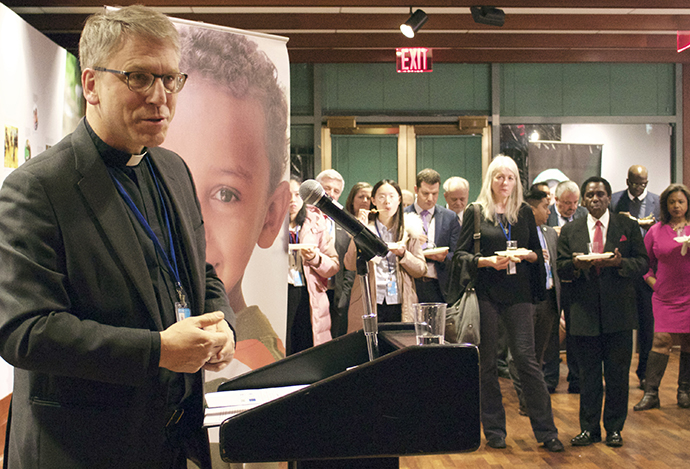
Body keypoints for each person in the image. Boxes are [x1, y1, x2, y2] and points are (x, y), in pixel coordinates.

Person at [0, 6, 235, 468]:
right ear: (91, 85)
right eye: (139, 77)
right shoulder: (39, 187)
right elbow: (25, 332)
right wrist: (159, 351)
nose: (160, 97)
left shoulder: (172, 168)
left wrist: (221, 321)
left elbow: (199, 273)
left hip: (173, 442)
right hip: (83, 448)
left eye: (170, 80)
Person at [164, 26, 289, 374]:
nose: (191, 225)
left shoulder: (256, 370)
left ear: (271, 214)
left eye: (225, 194)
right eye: (167, 183)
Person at [453, 155, 563, 453]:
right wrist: (486, 261)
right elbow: (460, 257)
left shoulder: (524, 213)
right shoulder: (476, 212)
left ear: (517, 182)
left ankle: (546, 431)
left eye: (511, 177)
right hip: (486, 294)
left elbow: (537, 255)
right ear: (491, 179)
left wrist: (529, 256)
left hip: (519, 296)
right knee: (486, 363)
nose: (505, 183)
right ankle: (494, 430)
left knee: (527, 361)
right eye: (500, 177)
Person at [557, 176, 648, 448]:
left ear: (609, 197)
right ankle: (588, 429)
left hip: (619, 312)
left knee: (618, 375)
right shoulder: (571, 231)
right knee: (589, 376)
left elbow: (642, 263)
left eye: (600, 194)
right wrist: (575, 264)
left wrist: (621, 264)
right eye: (590, 195)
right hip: (583, 313)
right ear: (583, 200)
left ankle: (615, 429)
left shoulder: (627, 226)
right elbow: (561, 267)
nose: (595, 199)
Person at [634, 183, 690, 411]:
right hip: (664, 296)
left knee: (688, 341)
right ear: (665, 205)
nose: (676, 206)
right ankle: (651, 392)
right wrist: (653, 283)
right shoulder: (655, 231)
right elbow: (643, 264)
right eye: (672, 202)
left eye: (681, 202)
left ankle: (684, 390)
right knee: (661, 340)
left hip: (689, 295)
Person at [344, 179, 427, 327]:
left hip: (400, 300)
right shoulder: (367, 229)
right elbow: (350, 265)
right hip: (370, 299)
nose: (387, 202)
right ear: (373, 201)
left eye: (392, 196)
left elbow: (421, 269)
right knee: (368, 346)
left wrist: (404, 254)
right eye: (381, 197)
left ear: (399, 200)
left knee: (398, 346)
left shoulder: (408, 231)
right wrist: (358, 232)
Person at [509, 188, 561, 416]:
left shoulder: (550, 233)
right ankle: (526, 401)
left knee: (537, 355)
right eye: (545, 207)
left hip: (549, 299)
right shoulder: (518, 231)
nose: (549, 212)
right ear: (531, 209)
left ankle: (534, 398)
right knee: (521, 355)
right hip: (527, 300)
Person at [610, 165, 660, 389]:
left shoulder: (657, 202)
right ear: (628, 181)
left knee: (647, 324)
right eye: (636, 182)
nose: (640, 187)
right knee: (619, 323)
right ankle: (616, 371)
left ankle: (644, 372)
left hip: (647, 268)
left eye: (644, 183)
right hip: (621, 266)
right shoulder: (615, 200)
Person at [286, 176, 339, 355]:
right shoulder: (268, 222)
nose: (292, 200)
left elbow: (333, 265)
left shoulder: (315, 221)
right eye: (287, 195)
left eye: (297, 194)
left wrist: (316, 258)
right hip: (279, 293)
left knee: (307, 347)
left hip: (308, 293)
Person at [546, 179, 588, 394]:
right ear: (556, 200)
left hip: (575, 281)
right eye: (566, 203)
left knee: (575, 331)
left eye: (575, 202)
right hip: (551, 281)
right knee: (551, 332)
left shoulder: (583, 216)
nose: (571, 207)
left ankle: (576, 377)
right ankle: (550, 378)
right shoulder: (547, 215)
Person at [406, 168, 461, 304]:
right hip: (411, 283)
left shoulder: (450, 217)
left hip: (439, 284)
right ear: (416, 189)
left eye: (434, 194)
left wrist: (443, 257)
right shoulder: (403, 215)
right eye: (425, 193)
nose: (430, 198)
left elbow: (457, 253)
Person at [315, 169, 353, 338]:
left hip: (336, 292)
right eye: (326, 188)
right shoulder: (304, 218)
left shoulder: (345, 222)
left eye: (336, 191)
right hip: (312, 291)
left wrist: (345, 293)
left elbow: (350, 264)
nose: (330, 194)